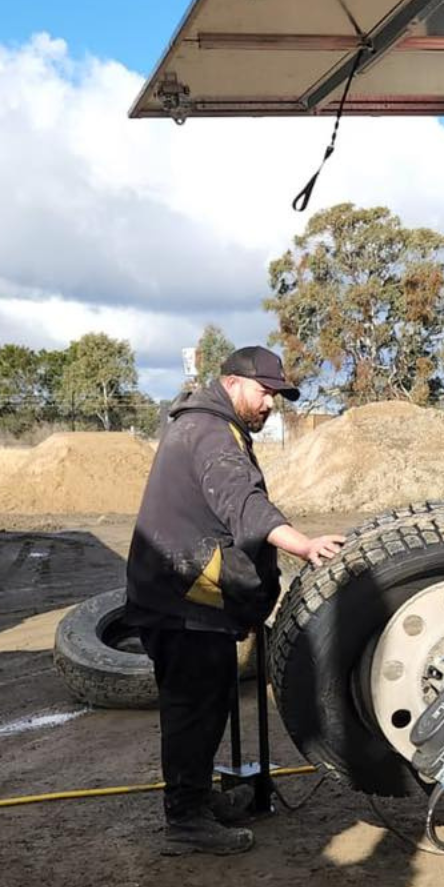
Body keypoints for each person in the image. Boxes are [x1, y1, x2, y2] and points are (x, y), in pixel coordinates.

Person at [122, 346, 346, 855]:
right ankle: (186, 821)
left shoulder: (207, 425)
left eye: (276, 395)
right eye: (265, 392)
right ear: (231, 384)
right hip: (184, 600)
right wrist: (304, 544)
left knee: (208, 700)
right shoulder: (210, 432)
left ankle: (197, 800)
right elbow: (242, 502)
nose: (271, 403)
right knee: (191, 707)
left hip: (185, 595)